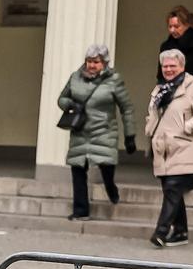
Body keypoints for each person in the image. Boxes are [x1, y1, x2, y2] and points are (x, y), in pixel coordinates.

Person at [56, 44, 137, 220]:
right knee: (78, 169)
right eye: (89, 61)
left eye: (96, 62)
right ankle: (81, 210)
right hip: (80, 130)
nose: (91, 65)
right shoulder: (75, 77)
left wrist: (130, 135)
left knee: (106, 166)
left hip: (104, 131)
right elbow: (62, 98)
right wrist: (69, 104)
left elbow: (127, 108)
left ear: (105, 63)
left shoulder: (114, 80)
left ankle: (110, 187)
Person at [146, 48, 193, 248]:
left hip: (185, 147)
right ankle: (181, 232)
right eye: (165, 66)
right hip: (163, 149)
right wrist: (150, 129)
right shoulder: (160, 89)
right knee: (171, 191)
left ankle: (161, 232)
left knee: (173, 189)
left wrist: (185, 127)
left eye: (172, 66)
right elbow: (154, 115)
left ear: (182, 66)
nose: (168, 69)